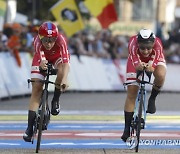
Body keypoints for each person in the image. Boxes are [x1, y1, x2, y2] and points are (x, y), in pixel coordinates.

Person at [23, 21, 70, 142]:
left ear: (56, 37)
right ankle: (29, 128)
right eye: (46, 41)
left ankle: (56, 99)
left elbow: (66, 63)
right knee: (36, 90)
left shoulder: (61, 40)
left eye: (52, 40)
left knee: (61, 71)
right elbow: (42, 59)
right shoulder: (37, 41)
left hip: (57, 57)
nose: (49, 44)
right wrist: (42, 65)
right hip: (41, 58)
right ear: (40, 38)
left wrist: (64, 78)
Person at [121, 29, 166, 142]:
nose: (145, 51)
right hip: (135, 59)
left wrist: (151, 67)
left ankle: (152, 98)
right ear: (138, 43)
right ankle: (126, 128)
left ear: (153, 44)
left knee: (160, 75)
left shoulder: (158, 43)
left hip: (154, 58)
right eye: (142, 48)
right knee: (132, 91)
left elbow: (155, 61)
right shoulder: (133, 43)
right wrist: (140, 66)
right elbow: (135, 62)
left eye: (148, 48)